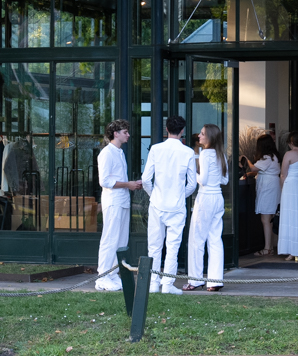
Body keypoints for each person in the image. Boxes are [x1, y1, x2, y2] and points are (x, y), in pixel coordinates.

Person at [141, 115, 198, 294]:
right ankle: (167, 284)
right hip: (177, 205)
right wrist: (181, 195)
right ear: (182, 131)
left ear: (166, 129)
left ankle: (153, 283)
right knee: (173, 246)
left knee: (154, 246)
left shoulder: (156, 149)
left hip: (157, 203)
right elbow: (192, 184)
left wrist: (153, 194)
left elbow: (145, 179)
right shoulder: (188, 152)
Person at [95, 119, 142, 292]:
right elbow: (105, 181)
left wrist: (130, 185)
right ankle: (102, 277)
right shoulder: (106, 153)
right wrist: (128, 184)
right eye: (125, 132)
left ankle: (113, 274)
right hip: (113, 201)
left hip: (122, 201)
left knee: (121, 240)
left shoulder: (119, 152)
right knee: (110, 239)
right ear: (115, 134)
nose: (128, 135)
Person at [187, 123, 228, 292]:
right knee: (215, 239)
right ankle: (215, 280)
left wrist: (191, 172)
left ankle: (195, 280)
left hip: (205, 197)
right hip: (218, 196)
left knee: (196, 239)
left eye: (202, 134)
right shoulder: (221, 155)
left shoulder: (204, 154)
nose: (199, 136)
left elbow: (202, 180)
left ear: (210, 137)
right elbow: (225, 180)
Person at [239, 134, 280, 256]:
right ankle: (270, 246)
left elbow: (253, 168)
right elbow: (260, 170)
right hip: (273, 186)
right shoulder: (273, 157)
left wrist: (246, 159)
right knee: (270, 218)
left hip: (268, 188)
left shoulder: (267, 158)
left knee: (265, 218)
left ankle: (267, 248)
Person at [277, 131, 298, 260]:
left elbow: (283, 174)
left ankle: (293, 250)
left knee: (291, 217)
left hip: (292, 185)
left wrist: (282, 188)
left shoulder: (289, 154)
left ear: (291, 142)